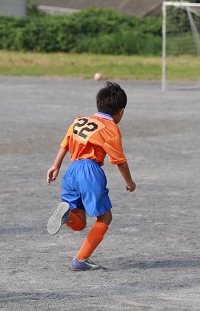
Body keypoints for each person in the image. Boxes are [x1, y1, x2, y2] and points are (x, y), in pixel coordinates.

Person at [46, 81, 136, 271]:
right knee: (105, 218)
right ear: (121, 111)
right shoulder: (110, 129)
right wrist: (130, 182)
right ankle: (80, 259)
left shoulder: (79, 120)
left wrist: (55, 165)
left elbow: (65, 143)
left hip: (71, 171)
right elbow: (119, 160)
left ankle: (66, 216)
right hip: (90, 171)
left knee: (79, 223)